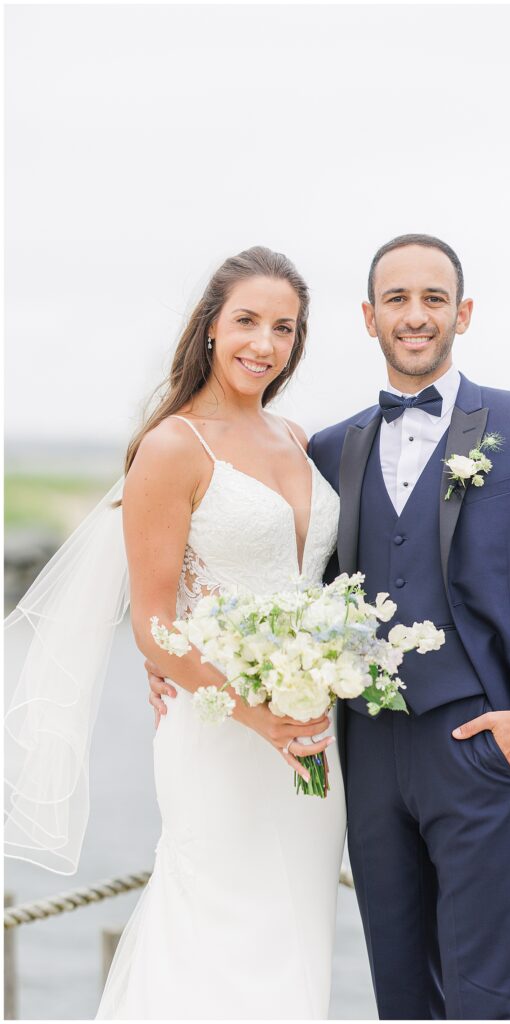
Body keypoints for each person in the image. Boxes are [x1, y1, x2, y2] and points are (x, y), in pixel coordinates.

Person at [148, 234, 510, 1020]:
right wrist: (173, 650)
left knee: (485, 997)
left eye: (432, 299)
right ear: (368, 318)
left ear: (461, 313)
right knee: (399, 996)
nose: (415, 317)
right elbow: (281, 579)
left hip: (485, 746)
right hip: (360, 758)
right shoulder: (329, 449)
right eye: (396, 301)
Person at [6, 246, 346, 1019]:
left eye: (284, 328)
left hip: (311, 734)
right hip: (220, 733)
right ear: (210, 328)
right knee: (217, 930)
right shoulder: (172, 447)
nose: (264, 343)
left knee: (295, 928)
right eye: (247, 321)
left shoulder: (295, 437)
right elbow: (156, 627)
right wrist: (261, 718)